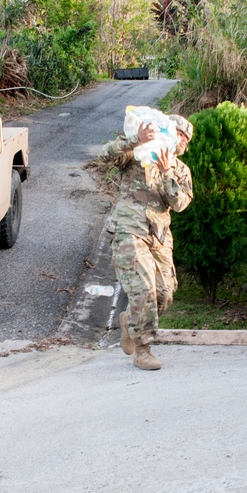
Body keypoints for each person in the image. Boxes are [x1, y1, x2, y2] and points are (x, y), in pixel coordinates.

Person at [98, 113, 194, 370]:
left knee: (164, 294)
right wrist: (133, 140)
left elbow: (181, 203)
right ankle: (144, 350)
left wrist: (166, 174)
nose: (184, 140)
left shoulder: (181, 170)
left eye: (187, 137)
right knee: (144, 288)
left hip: (160, 236)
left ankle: (129, 321)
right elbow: (105, 155)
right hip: (130, 229)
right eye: (180, 133)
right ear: (167, 131)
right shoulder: (137, 153)